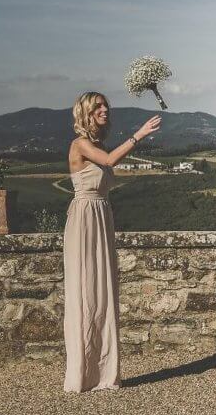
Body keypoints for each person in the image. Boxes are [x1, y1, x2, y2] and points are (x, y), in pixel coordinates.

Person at [64, 91, 160, 392]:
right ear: (86, 113)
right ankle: (82, 372)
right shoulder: (80, 144)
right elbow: (109, 160)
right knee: (86, 289)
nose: (104, 109)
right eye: (98, 106)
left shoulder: (97, 144)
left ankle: (102, 370)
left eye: (106, 105)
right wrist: (139, 135)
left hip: (101, 216)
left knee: (102, 291)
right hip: (84, 218)